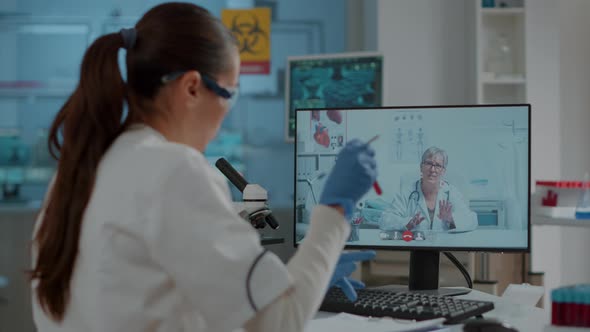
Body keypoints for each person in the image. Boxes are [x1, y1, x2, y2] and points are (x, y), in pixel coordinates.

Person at [29, 3, 377, 332]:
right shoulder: (174, 170)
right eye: (230, 94)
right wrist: (335, 209)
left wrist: (304, 279)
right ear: (192, 87)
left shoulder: (78, 171)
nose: (227, 115)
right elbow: (281, 322)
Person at [381, 147, 477, 232]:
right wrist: (407, 223)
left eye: (438, 165)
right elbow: (385, 220)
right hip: (415, 244)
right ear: (421, 167)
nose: (432, 169)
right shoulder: (407, 192)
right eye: (428, 163)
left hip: (444, 245)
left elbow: (472, 220)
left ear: (443, 171)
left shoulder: (451, 192)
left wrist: (451, 219)